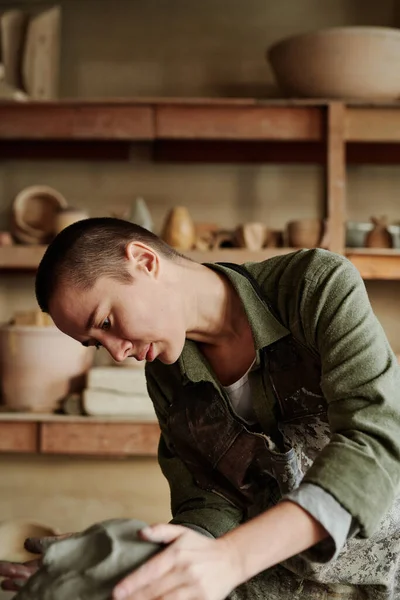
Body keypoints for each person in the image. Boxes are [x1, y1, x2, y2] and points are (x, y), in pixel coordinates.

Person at [1, 216, 400, 600]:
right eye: (96, 343)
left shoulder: (314, 287)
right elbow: (211, 501)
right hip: (277, 582)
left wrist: (232, 558)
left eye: (105, 321)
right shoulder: (166, 377)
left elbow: (375, 442)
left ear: (144, 261)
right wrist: (128, 556)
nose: (118, 353)